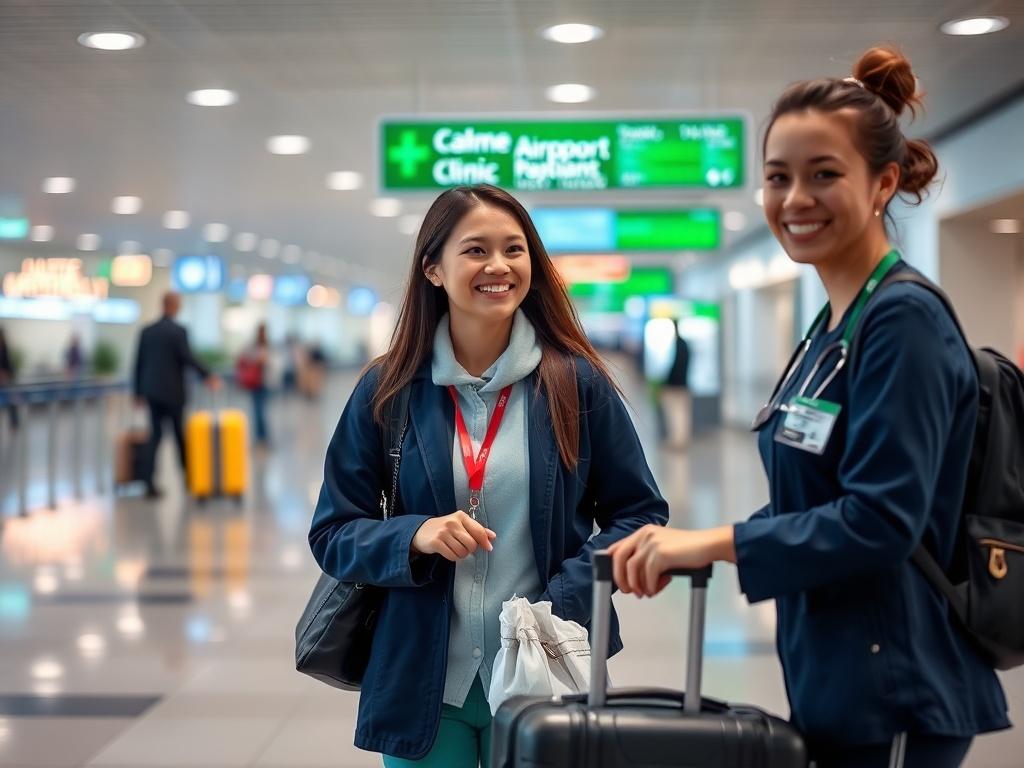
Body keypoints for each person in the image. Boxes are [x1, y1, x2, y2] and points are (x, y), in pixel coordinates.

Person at [607, 47, 1009, 768]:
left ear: (883, 182)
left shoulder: (902, 320)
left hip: (895, 684)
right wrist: (694, 542)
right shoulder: (834, 328)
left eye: (824, 175)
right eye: (777, 177)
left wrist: (711, 544)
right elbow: (814, 497)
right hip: (841, 671)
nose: (795, 200)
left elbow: (880, 519)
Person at [308, 184, 668, 766]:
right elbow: (332, 532)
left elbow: (640, 512)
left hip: (547, 673)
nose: (498, 266)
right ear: (434, 268)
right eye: (475, 250)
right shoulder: (389, 391)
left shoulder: (576, 384)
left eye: (514, 249)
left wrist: (567, 596)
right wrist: (413, 536)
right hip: (422, 684)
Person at [133, 292, 220, 498]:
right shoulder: (178, 331)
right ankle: (189, 479)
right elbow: (187, 358)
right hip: (173, 394)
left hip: (152, 392)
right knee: (180, 436)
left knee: (155, 436)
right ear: (175, 306)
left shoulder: (147, 331)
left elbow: (138, 363)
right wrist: (207, 376)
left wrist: (137, 392)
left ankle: (148, 482)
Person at [237, 324, 271, 445]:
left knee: (261, 410)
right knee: (258, 411)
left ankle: (263, 436)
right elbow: (244, 358)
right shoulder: (252, 346)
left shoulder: (268, 345)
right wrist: (257, 360)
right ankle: (260, 437)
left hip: (265, 382)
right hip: (255, 383)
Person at [660, 323, 691, 449]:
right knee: (682, 413)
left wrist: (667, 381)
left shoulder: (678, 344)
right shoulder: (685, 344)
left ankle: (677, 440)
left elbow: (675, 366)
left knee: (675, 414)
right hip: (684, 384)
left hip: (674, 386)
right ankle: (681, 439)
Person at [0, 326, 18, 429]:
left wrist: (7, 374)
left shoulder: (5, 348)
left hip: (6, 379)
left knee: (11, 400)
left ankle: (14, 422)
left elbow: (8, 365)